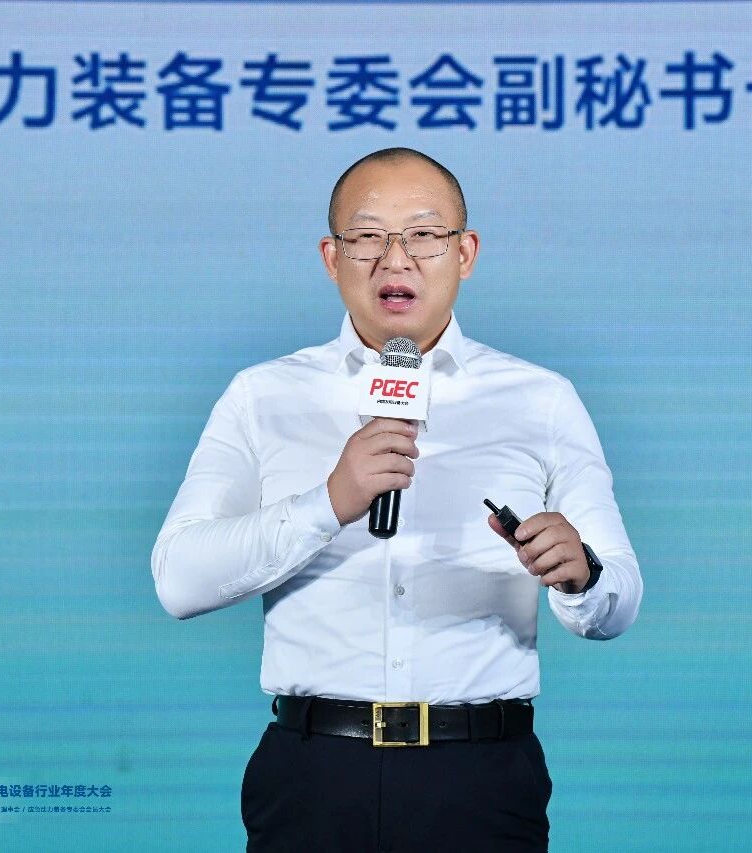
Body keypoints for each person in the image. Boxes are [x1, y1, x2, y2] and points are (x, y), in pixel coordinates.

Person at [151, 147, 643, 852]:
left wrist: (582, 574)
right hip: (313, 774)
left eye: (423, 234)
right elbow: (177, 579)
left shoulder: (541, 399)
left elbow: (618, 600)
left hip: (480, 777)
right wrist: (328, 503)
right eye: (368, 236)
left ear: (465, 253)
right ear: (332, 257)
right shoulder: (262, 395)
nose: (396, 258)